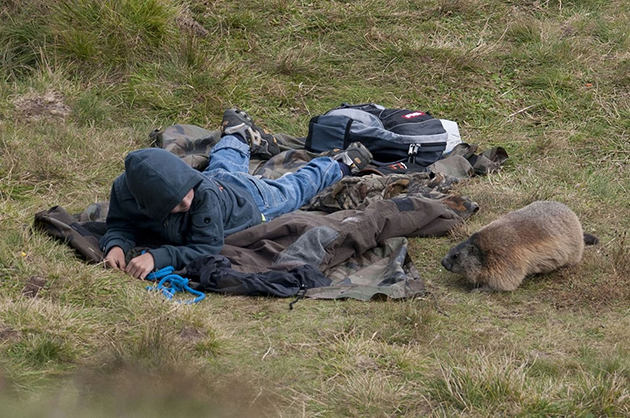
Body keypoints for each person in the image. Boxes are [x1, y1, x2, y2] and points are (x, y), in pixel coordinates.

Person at [100, 108, 372, 279]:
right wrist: (115, 245)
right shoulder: (124, 190)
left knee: (295, 189)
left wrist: (156, 257)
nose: (186, 201)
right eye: (175, 202)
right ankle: (236, 135)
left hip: (254, 200)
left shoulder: (200, 195)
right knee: (223, 166)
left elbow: (206, 247)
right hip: (217, 181)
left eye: (186, 192)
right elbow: (119, 224)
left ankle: (339, 163)